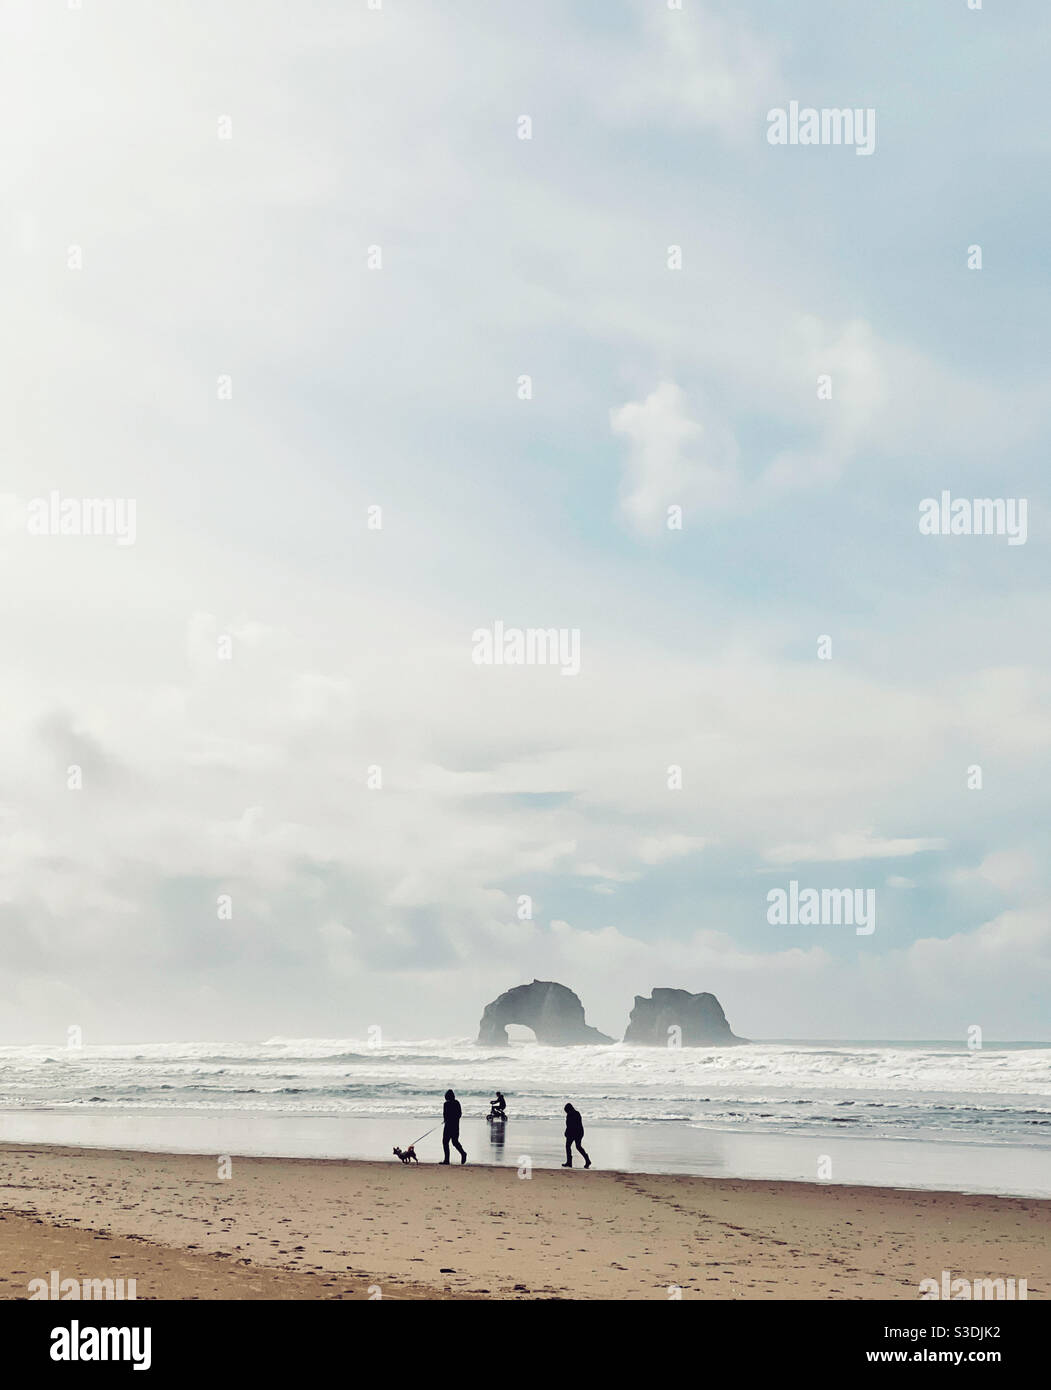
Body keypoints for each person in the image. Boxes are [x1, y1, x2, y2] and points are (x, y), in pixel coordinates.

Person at [441, 1088, 467, 1164]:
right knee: (454, 1142)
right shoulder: (457, 1103)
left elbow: (445, 1115)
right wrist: (453, 1119)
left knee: (445, 1142)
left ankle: (447, 1160)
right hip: (455, 1126)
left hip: (448, 1126)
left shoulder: (446, 1104)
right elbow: (460, 1114)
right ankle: (463, 1153)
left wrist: (446, 1120)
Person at [562, 1102, 591, 1168]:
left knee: (568, 1146)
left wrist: (566, 1133)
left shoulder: (569, 1115)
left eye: (566, 1111)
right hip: (579, 1132)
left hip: (573, 1132)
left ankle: (569, 1162)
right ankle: (587, 1160)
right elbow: (578, 1124)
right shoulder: (577, 1113)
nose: (566, 1112)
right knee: (578, 1146)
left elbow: (569, 1126)